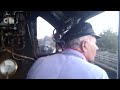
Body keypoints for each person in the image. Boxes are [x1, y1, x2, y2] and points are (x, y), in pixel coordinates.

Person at [26, 22, 109, 79]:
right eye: (95, 43)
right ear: (84, 45)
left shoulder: (39, 63)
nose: (97, 47)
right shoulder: (99, 74)